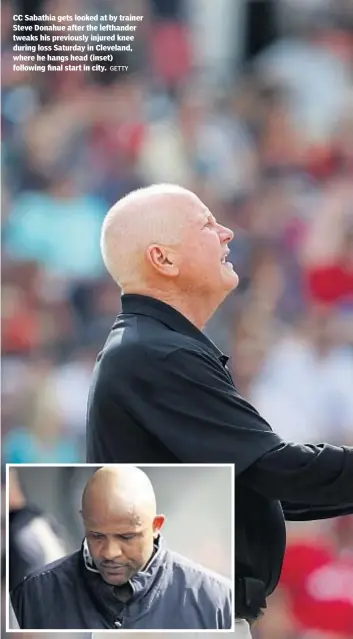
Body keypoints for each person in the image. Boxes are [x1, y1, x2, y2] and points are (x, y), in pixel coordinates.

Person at [86, 184, 353, 637]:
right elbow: (274, 470)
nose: (227, 233)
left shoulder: (153, 346)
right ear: (163, 259)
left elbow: (255, 485)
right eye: (207, 225)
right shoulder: (155, 353)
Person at [10, 465, 232, 631]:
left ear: (156, 526)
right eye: (97, 535)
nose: (109, 552)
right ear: (83, 521)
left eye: (126, 537)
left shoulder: (216, 601)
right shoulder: (34, 594)